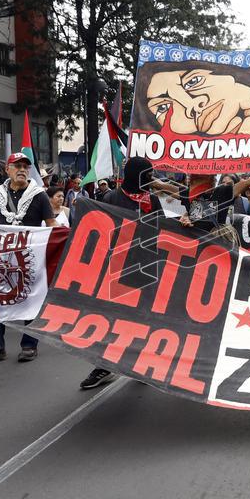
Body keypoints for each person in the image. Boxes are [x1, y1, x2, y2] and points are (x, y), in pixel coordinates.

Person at [80, 157, 164, 390]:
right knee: (111, 321)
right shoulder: (111, 198)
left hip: (145, 269)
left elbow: (162, 230)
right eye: (146, 175)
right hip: (115, 270)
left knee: (142, 321)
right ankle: (104, 366)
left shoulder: (153, 200)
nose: (150, 179)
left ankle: (141, 364)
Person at [0, 153, 57, 364]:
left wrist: (66, 238)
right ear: (7, 169)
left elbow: (52, 225)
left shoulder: (39, 196)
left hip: (29, 258)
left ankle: (29, 345)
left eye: (26, 166)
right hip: (1, 256)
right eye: (17, 166)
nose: (22, 170)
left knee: (31, 298)